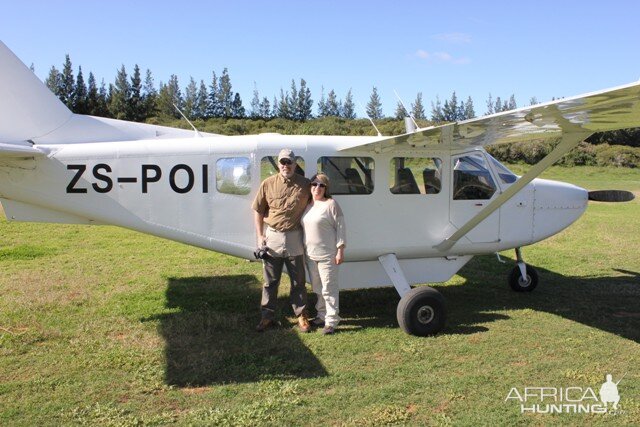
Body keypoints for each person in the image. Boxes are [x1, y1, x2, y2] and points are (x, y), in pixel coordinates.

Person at [253, 149, 312, 332]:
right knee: (270, 281)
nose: (286, 165)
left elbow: (316, 202)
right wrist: (260, 235)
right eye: (283, 162)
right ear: (278, 164)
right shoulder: (268, 183)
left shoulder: (306, 184)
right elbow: (258, 210)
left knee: (298, 280)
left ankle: (301, 315)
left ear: (295, 164)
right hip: (273, 237)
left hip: (295, 236)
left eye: (289, 162)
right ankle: (267, 317)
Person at [301, 173, 346, 335]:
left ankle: (332, 320)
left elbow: (340, 227)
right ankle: (321, 314)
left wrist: (340, 249)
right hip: (310, 254)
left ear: (326, 188)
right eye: (314, 184)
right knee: (317, 287)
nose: (317, 188)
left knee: (329, 287)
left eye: (321, 185)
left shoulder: (331, 204)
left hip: (328, 255)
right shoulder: (308, 204)